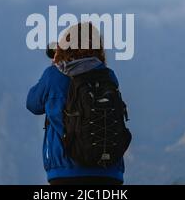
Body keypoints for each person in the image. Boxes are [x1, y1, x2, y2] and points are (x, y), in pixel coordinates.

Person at [26, 22, 126, 185]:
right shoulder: (108, 76)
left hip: (66, 172)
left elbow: (32, 103)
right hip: (109, 171)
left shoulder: (53, 75)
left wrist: (56, 62)